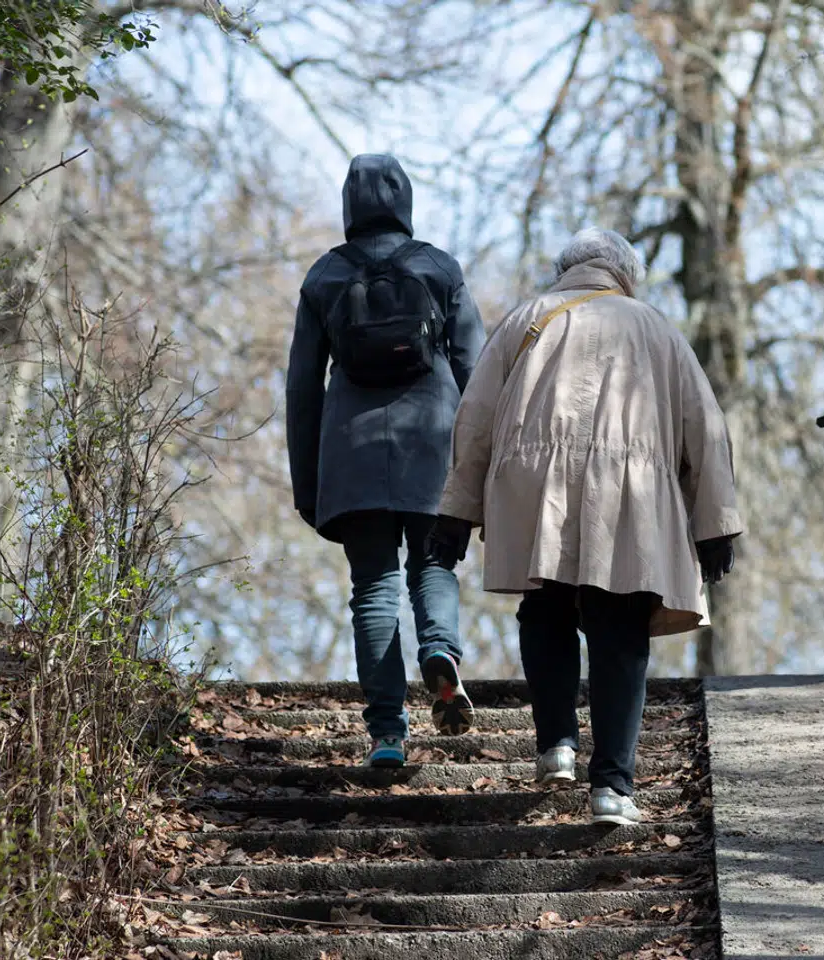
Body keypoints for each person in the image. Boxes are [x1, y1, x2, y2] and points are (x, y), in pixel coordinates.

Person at [428, 227, 742, 825]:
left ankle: (557, 746)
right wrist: (715, 523)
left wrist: (456, 511)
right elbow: (706, 427)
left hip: (535, 484)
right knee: (619, 628)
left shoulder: (526, 318)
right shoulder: (657, 329)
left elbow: (475, 418)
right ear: (626, 273)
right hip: (629, 491)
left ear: (565, 269)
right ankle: (612, 788)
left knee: (545, 608)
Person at [286, 153, 486, 767]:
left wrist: (308, 484)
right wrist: (480, 469)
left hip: (351, 454)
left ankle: (387, 734)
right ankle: (440, 652)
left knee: (373, 585)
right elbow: (474, 373)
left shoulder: (325, 277)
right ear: (405, 200)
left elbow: (300, 387)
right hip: (433, 445)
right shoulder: (439, 268)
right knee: (435, 567)